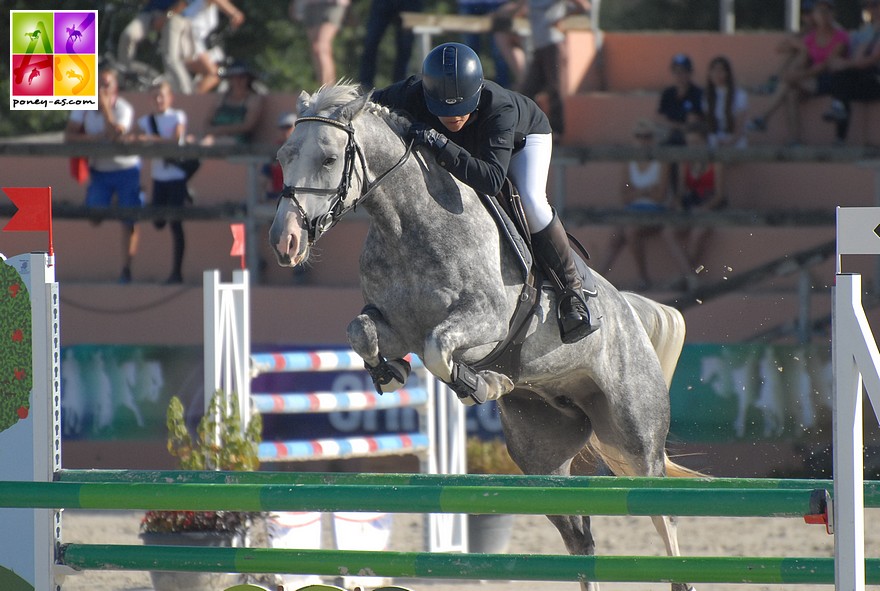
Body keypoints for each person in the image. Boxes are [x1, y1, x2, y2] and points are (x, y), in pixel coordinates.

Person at [372, 42, 598, 343]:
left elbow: (491, 179)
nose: (453, 118)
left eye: (460, 109)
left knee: (532, 202)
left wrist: (440, 142)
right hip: (467, 149)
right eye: (444, 110)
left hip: (521, 143)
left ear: (476, 94)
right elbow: (364, 105)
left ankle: (572, 292)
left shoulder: (499, 108)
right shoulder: (411, 91)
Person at [64, 68, 143, 284]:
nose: (101, 89)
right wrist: (93, 138)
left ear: (115, 87)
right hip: (100, 171)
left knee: (130, 219)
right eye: (98, 84)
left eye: (106, 84)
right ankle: (103, 199)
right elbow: (68, 136)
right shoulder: (84, 108)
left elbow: (116, 133)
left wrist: (105, 106)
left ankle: (126, 268)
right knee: (95, 215)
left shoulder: (124, 108)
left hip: (126, 170)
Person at [748, 0, 848, 145]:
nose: (822, 15)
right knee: (791, 92)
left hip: (833, 80)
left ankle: (764, 116)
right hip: (813, 79)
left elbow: (826, 66)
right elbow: (781, 48)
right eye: (819, 12)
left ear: (833, 14)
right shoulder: (811, 35)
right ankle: (794, 139)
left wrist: (795, 76)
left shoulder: (840, 35)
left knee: (790, 77)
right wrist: (800, 45)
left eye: (827, 11)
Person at [598, 119, 670, 291]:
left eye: (647, 136)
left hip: (655, 212)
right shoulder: (629, 162)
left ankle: (643, 279)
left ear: (653, 139)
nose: (643, 140)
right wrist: (646, 192)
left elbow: (660, 196)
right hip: (633, 211)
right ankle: (597, 278)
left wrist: (637, 192)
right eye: (639, 136)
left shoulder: (662, 161)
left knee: (630, 231)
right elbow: (624, 196)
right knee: (616, 236)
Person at [134, 80, 190, 284]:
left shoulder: (177, 116)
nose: (159, 100)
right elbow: (135, 138)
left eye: (162, 95)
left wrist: (150, 140)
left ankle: (177, 271)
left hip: (176, 177)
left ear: (170, 97)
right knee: (158, 221)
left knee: (176, 223)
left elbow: (175, 139)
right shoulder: (145, 121)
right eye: (155, 96)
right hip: (159, 178)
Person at [517, 0, 591, 136]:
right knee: (527, 91)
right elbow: (520, 10)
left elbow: (584, 6)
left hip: (553, 44)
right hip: (539, 47)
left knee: (555, 88)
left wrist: (562, 19)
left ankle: (557, 131)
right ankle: (531, 127)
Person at [668, 122, 727, 290]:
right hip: (691, 206)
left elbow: (720, 195)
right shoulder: (685, 161)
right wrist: (679, 205)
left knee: (697, 232)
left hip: (710, 206)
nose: (691, 146)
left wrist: (703, 209)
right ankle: (690, 276)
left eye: (696, 142)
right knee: (669, 231)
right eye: (689, 142)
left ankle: (685, 277)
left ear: (705, 142)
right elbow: (680, 191)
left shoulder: (716, 161)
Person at [823, 0, 880, 143]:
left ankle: (838, 112)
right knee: (841, 79)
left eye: (875, 5)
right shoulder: (865, 31)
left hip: (876, 79)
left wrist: (844, 64)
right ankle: (840, 137)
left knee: (844, 74)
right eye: (868, 6)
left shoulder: (869, 32)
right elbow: (856, 58)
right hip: (865, 78)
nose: (871, 9)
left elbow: (869, 60)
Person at [161, 0, 245, 94]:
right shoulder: (207, 3)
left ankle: (188, 94)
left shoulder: (212, 9)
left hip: (193, 39)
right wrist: (234, 12)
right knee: (214, 74)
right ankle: (190, 101)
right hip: (188, 36)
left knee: (213, 71)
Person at [358, 0, 423, 89]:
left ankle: (401, 88)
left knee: (405, 47)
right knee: (370, 41)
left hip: (409, 3)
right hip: (382, 3)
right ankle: (365, 85)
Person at [197, 61, 264, 145]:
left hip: (238, 140)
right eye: (234, 77)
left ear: (248, 79)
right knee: (192, 141)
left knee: (211, 143)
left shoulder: (254, 99)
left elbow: (248, 125)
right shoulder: (221, 98)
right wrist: (211, 132)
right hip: (215, 136)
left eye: (242, 77)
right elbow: (207, 122)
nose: (238, 80)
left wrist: (222, 130)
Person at [458, 0, 520, 89]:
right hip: (469, 3)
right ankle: (468, 89)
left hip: (497, 4)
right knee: (468, 54)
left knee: (499, 54)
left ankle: (502, 91)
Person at [290, 0, 350, 86]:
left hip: (332, 4)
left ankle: (328, 88)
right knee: (315, 49)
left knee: (321, 46)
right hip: (310, 5)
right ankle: (323, 87)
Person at [704, 56, 749, 148]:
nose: (717, 74)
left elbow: (739, 127)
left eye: (721, 70)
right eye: (714, 70)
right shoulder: (706, 96)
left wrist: (729, 142)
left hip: (734, 140)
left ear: (727, 73)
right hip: (715, 139)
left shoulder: (740, 95)